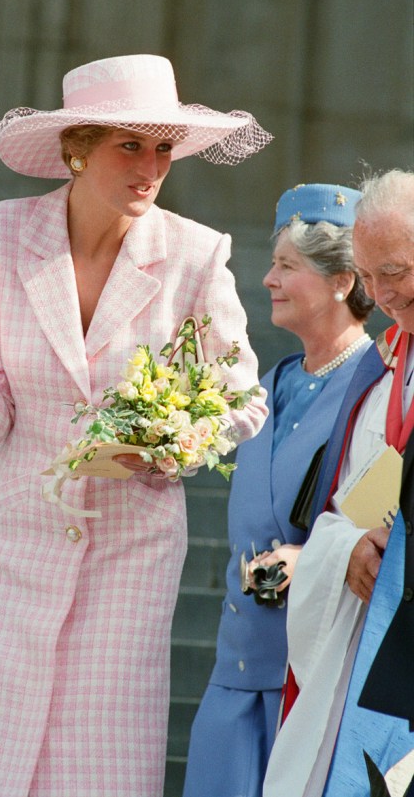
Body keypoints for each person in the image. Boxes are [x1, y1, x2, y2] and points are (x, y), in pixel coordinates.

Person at [0, 53, 271, 797]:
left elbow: (244, 399)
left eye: (163, 147)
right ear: (78, 147)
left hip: (131, 551)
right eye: (129, 145)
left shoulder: (196, 255)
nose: (150, 167)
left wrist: (168, 448)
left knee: (99, 762)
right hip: (18, 541)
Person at [182, 182, 374, 797]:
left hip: (314, 681)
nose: (268, 279)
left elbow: (376, 519)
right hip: (236, 675)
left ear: (343, 279)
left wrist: (315, 557)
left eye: (287, 266)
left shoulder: (383, 389)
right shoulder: (268, 385)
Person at [263, 168, 414, 797]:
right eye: (370, 275)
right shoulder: (382, 374)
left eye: (397, 272)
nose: (380, 294)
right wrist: (345, 549)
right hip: (377, 651)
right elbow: (341, 511)